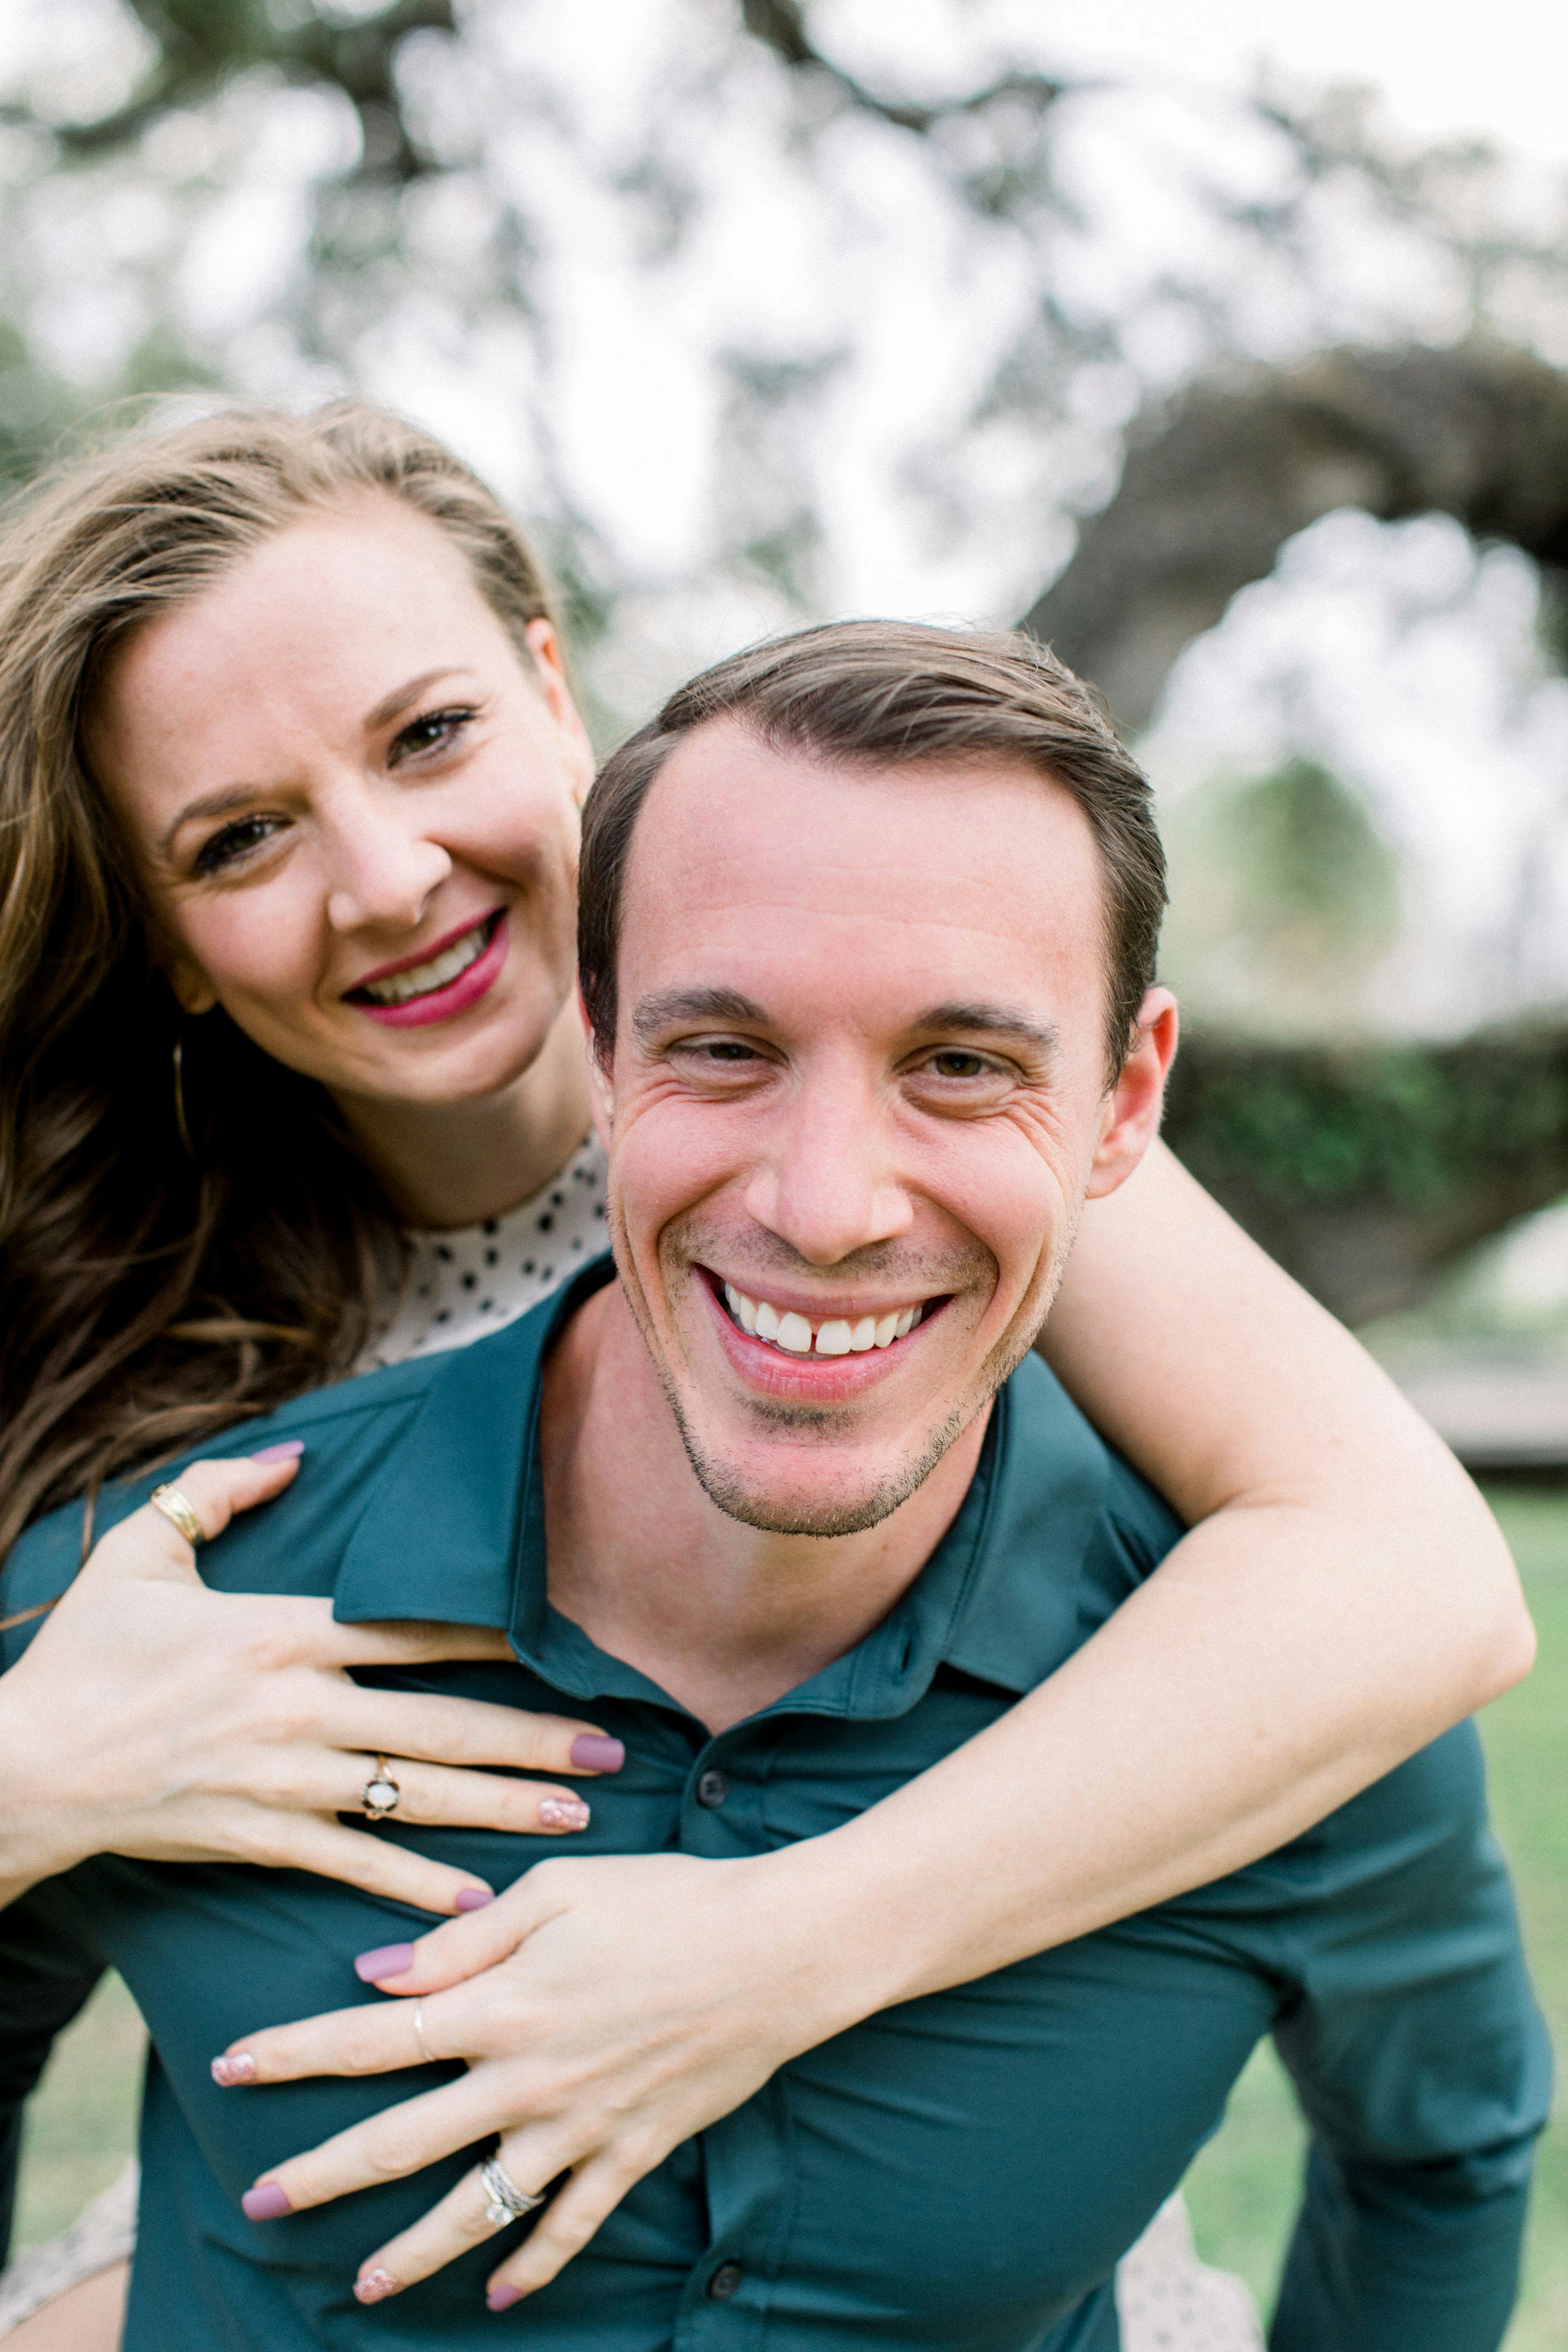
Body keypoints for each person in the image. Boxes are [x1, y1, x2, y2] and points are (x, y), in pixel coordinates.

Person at [0, 408, 1531, 2345]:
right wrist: (33, 1770)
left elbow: (1408, 1578)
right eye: (239, 838)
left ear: (555, 687)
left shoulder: (887, 1137)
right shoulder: (141, 1356)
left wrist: (778, 1949)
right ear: (167, 946)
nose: (385, 876)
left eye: (429, 736)